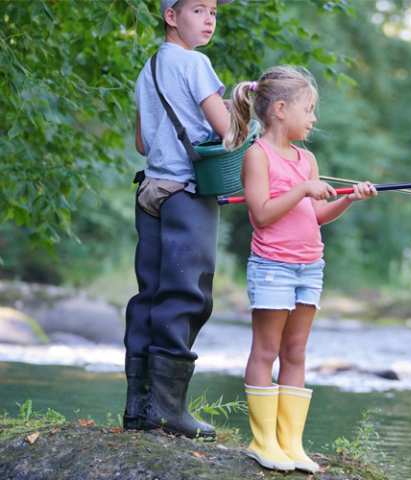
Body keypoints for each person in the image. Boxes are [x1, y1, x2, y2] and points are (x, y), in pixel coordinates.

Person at [224, 66, 377, 472]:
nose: (313, 118)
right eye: (308, 109)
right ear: (279, 109)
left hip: (310, 266)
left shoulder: (307, 159)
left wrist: (348, 199)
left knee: (295, 352)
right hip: (273, 266)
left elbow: (318, 215)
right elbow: (260, 215)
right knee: (266, 350)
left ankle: (291, 445)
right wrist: (301, 189)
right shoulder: (258, 156)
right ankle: (264, 442)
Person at [123, 0, 233, 439]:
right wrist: (241, 106)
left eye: (213, 13)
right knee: (186, 295)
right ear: (172, 16)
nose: (209, 20)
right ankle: (168, 411)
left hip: (150, 192)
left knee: (149, 296)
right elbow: (229, 134)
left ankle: (138, 409)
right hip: (187, 194)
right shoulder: (196, 62)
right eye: (199, 10)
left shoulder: (147, 69)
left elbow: (141, 144)